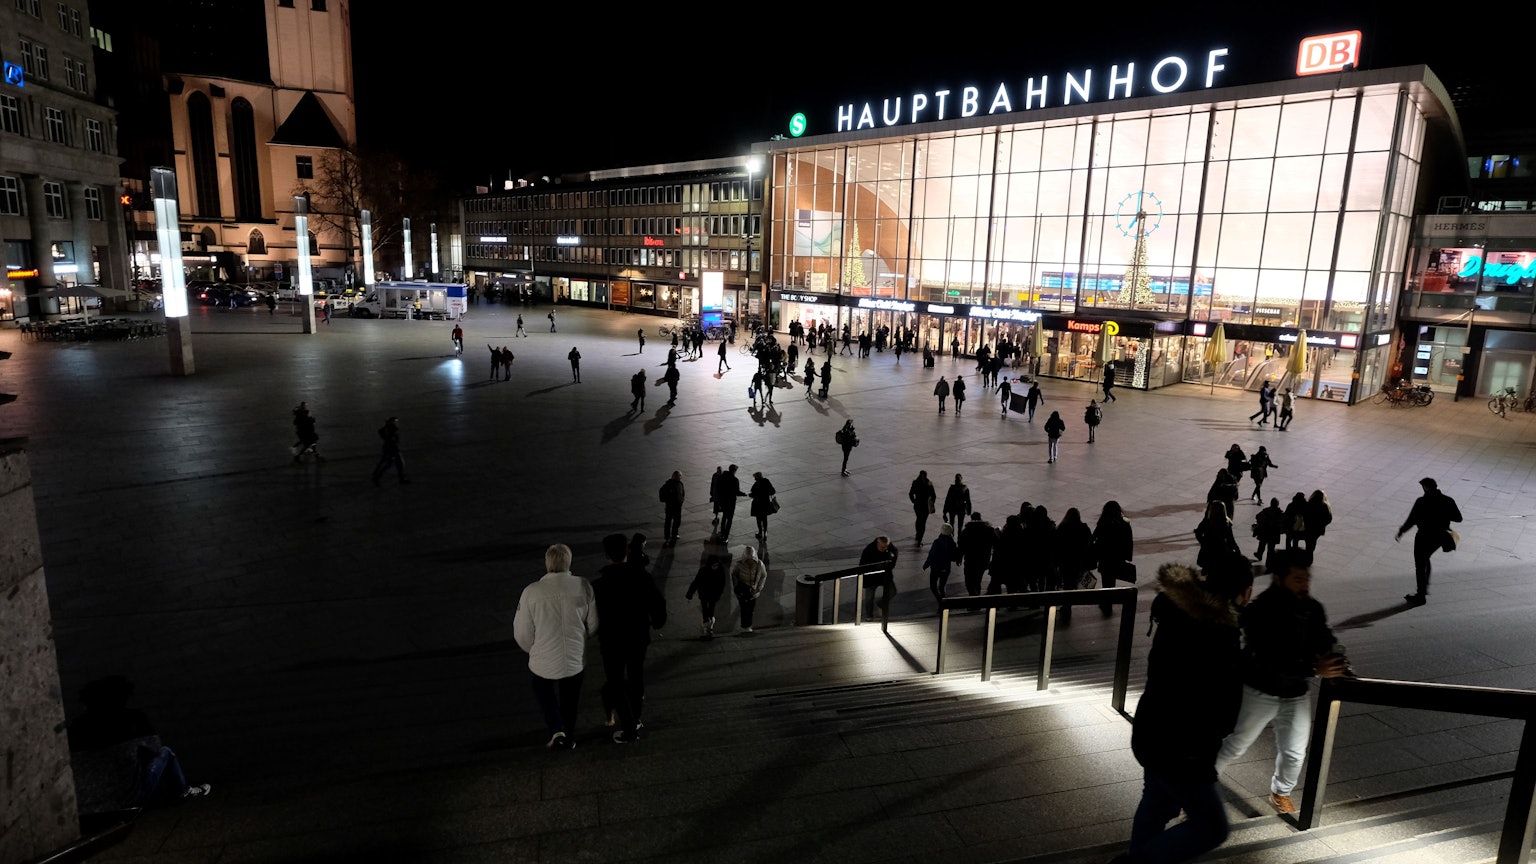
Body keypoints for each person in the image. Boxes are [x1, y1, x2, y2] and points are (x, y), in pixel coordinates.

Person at [1114, 561, 1252, 864]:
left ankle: (1138, 856)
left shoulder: (1179, 610)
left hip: (1152, 727)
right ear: (1246, 592)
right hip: (1185, 746)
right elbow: (1220, 695)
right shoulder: (1219, 631)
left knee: (1157, 803)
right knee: (1212, 828)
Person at [1216, 550, 1352, 814]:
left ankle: (1281, 792)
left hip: (1296, 692)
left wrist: (1334, 658)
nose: (1305, 584)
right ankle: (1200, 787)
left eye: (1307, 578)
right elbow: (1267, 658)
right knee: (1236, 744)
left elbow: (1323, 637)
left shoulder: (1312, 608)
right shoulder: (1259, 611)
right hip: (1261, 690)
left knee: (1295, 751)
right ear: (1279, 579)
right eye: (1298, 579)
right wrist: (1314, 668)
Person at [67, 675, 212, 814]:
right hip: (126, 801)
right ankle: (183, 791)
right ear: (121, 698)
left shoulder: (76, 727)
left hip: (83, 806)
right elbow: (155, 749)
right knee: (165, 752)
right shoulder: (132, 719)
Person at [513, 543, 599, 750]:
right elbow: (593, 624)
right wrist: (581, 638)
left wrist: (532, 648)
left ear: (547, 563)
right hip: (574, 658)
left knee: (543, 690)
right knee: (570, 698)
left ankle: (556, 729)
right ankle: (569, 734)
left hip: (543, 658)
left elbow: (522, 631)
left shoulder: (531, 591)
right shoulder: (583, 586)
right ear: (569, 562)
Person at [592, 533, 666, 744]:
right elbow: (658, 604)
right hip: (637, 637)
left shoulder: (599, 585)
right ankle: (636, 717)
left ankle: (629, 728)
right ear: (627, 552)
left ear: (607, 555)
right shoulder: (642, 577)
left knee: (615, 682)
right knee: (636, 676)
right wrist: (656, 622)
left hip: (611, 641)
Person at [1396, 477, 1463, 606]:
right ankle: (1424, 588)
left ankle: (1421, 595)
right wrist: (1444, 514)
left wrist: (1402, 531)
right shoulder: (1447, 500)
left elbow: (1412, 519)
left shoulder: (1421, 501)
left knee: (1420, 564)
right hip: (1439, 536)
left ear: (1426, 487)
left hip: (1423, 536)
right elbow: (1459, 518)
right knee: (1425, 558)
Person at [1093, 500, 1135, 616]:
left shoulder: (1103, 522)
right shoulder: (1124, 523)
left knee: (1106, 580)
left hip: (1105, 557)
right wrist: (1127, 556)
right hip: (1117, 557)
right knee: (1112, 581)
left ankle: (1106, 603)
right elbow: (1129, 541)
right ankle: (1108, 602)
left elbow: (1095, 536)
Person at [686, 537, 730, 638]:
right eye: (714, 565)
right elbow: (696, 583)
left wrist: (719, 594)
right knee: (705, 609)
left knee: (711, 609)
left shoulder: (720, 571)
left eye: (716, 565)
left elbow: (722, 584)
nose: (715, 567)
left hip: (713, 595)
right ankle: (707, 623)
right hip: (704, 594)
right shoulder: (703, 571)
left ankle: (709, 623)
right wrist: (689, 594)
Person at [1194, 500, 1242, 575]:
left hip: (1208, 548)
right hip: (1221, 549)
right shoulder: (1226, 523)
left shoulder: (1207, 521)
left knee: (1208, 568)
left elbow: (1198, 532)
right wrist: (1236, 549)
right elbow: (1230, 539)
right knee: (1218, 570)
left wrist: (1203, 542)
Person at [859, 535, 899, 623]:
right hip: (872, 577)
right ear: (877, 543)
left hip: (885, 575)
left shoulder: (888, 545)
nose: (885, 549)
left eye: (886, 547)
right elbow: (862, 565)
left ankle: (880, 604)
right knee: (869, 598)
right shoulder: (869, 550)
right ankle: (869, 616)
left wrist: (891, 564)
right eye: (882, 547)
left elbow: (895, 552)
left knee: (892, 591)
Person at [957, 512, 997, 596]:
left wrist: (959, 557)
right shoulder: (989, 530)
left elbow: (961, 546)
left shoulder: (966, 531)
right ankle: (976, 596)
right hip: (983, 560)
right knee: (977, 580)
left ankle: (974, 596)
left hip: (970, 560)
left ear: (971, 519)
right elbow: (997, 544)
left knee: (969, 582)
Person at [732, 544, 768, 633]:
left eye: (751, 559)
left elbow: (763, 576)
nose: (750, 561)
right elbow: (734, 575)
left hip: (753, 591)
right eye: (748, 559)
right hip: (742, 590)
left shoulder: (759, 564)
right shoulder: (739, 564)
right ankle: (744, 625)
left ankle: (748, 625)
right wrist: (736, 586)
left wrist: (759, 587)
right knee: (744, 608)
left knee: (751, 609)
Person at [923, 523, 958, 603]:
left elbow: (932, 555)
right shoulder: (952, 544)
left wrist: (926, 564)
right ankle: (943, 600)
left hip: (936, 568)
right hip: (946, 568)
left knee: (933, 586)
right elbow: (954, 557)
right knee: (942, 586)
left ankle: (940, 601)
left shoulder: (937, 542)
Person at [371, 416, 407, 486]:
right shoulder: (391, 428)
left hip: (392, 448)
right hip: (392, 449)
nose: (397, 423)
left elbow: (382, 432)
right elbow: (390, 436)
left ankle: (377, 477)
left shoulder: (389, 428)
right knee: (395, 464)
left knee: (393, 464)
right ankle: (376, 477)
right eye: (395, 421)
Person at [715, 464, 746, 539]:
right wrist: (744, 494)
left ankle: (722, 532)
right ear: (734, 471)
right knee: (730, 518)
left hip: (723, 500)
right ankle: (726, 534)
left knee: (724, 516)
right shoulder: (735, 480)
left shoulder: (722, 477)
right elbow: (736, 492)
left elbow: (718, 488)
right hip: (731, 502)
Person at [1253, 497, 1285, 566]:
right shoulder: (1280, 513)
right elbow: (1283, 522)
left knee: (1262, 544)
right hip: (1274, 533)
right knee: (1271, 548)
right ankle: (1268, 562)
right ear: (1277, 504)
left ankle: (1259, 554)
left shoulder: (1266, 510)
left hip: (1265, 531)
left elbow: (1257, 516)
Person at [909, 469, 937, 546]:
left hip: (917, 505)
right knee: (923, 522)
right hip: (925, 506)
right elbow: (934, 495)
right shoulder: (929, 483)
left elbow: (911, 493)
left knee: (918, 519)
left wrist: (913, 501)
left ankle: (917, 534)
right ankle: (919, 539)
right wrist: (931, 503)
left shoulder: (915, 482)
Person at [659, 470, 685, 546]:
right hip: (670, 507)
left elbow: (683, 493)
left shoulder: (680, 483)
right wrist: (666, 500)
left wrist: (681, 500)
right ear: (674, 476)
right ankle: (667, 538)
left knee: (677, 522)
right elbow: (661, 493)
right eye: (679, 476)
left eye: (680, 476)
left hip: (678, 507)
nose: (680, 477)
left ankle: (674, 534)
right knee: (668, 522)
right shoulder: (668, 485)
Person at [748, 471, 777, 539]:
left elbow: (753, 493)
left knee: (758, 519)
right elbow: (773, 491)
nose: (754, 479)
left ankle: (760, 532)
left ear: (757, 477)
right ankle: (765, 533)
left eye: (755, 477)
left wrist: (750, 495)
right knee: (764, 518)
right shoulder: (766, 481)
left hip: (757, 504)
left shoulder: (756, 484)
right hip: (765, 503)